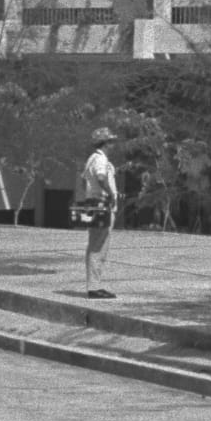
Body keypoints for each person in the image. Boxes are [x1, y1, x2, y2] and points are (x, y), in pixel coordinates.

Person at [77, 125, 120, 298]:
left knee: (95, 244)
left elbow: (83, 182)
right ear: (106, 143)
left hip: (93, 204)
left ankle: (94, 285)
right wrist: (110, 194)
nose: (114, 145)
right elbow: (101, 177)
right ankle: (94, 288)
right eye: (111, 141)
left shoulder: (92, 158)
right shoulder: (101, 159)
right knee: (99, 246)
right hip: (102, 205)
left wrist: (91, 195)